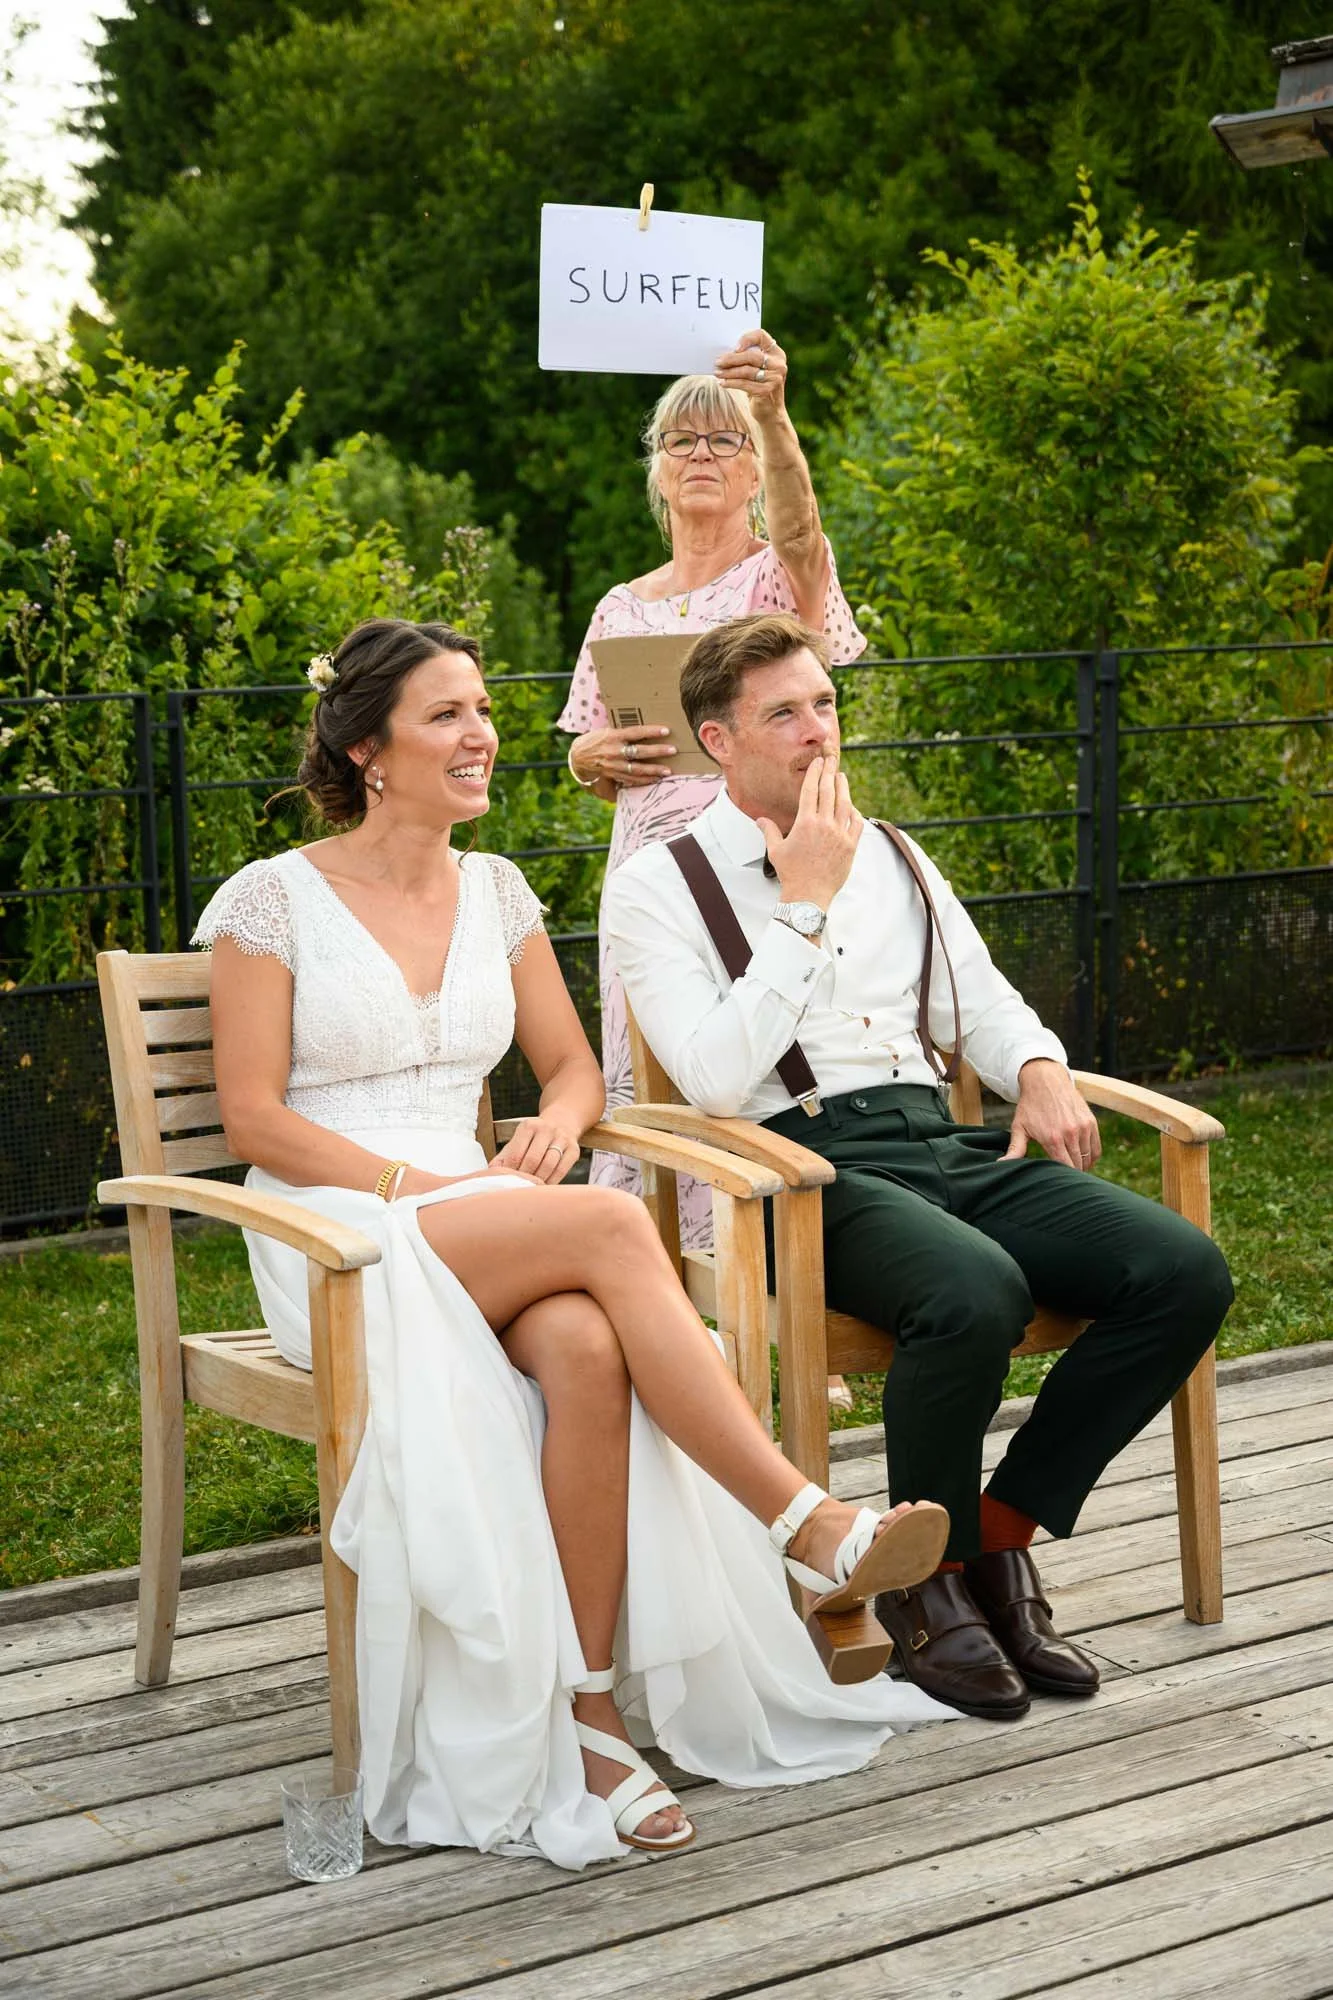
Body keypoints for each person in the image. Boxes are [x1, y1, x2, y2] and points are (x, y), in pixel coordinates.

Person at [192, 616, 955, 1873]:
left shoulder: (496, 890)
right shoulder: (271, 898)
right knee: (607, 1219)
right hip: (336, 1221)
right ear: (366, 746)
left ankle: (593, 1715)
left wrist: (553, 1124)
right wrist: (410, 1181)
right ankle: (805, 1522)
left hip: (482, 1211)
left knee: (589, 1347)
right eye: (446, 714)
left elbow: (570, 1068)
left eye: (485, 709)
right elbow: (254, 1117)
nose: (482, 734)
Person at [604, 612, 1235, 1723]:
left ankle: (994, 1535)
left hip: (941, 1143)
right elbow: (710, 1077)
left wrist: (1036, 1065)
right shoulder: (660, 884)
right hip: (796, 1168)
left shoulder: (894, 852)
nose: (819, 730)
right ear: (718, 741)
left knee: (1182, 1270)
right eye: (784, 714)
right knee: (972, 1288)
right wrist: (801, 903)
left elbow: (978, 1001)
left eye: (824, 703)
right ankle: (925, 1585)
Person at [560, 329, 865, 1269]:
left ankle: (776, 1268)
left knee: (758, 1045)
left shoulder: (775, 576)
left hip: (761, 856)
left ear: (753, 471)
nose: (700, 454)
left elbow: (803, 534)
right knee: (653, 1057)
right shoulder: (619, 605)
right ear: (656, 468)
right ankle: (646, 1268)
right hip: (647, 873)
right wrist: (586, 758)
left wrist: (771, 415)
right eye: (680, 440)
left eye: (721, 439)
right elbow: (589, 751)